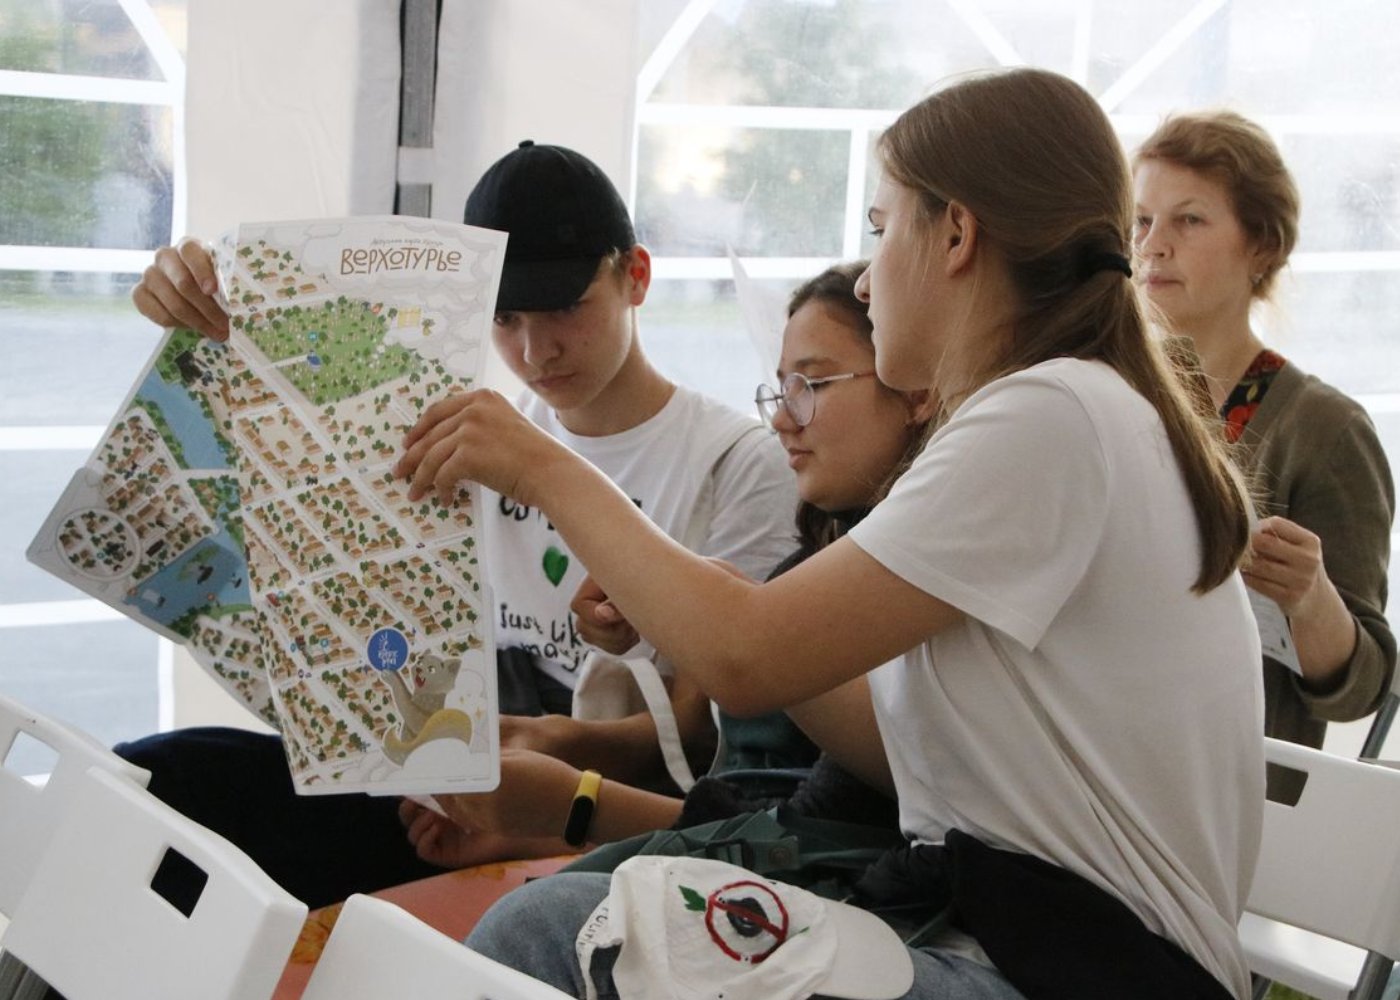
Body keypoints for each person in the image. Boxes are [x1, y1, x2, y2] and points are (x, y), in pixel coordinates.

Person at [396, 68, 1265, 999]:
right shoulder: (1075, 406)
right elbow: (892, 745)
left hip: (1083, 968)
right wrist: (693, 608)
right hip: (1028, 939)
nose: (863, 274)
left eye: (882, 229)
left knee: (547, 931)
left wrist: (542, 467)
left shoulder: (1049, 413)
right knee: (569, 918)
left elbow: (747, 656)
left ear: (958, 235)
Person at [118, 141, 799, 907]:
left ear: (635, 276)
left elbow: (726, 740)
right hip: (459, 779)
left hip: (611, 819)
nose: (536, 350)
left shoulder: (737, 464)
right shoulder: (464, 433)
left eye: (565, 307)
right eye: (504, 317)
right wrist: (211, 308)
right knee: (157, 775)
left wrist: (549, 791)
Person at [399, 260, 922, 867]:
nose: (783, 419)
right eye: (782, 388)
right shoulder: (814, 565)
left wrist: (573, 808)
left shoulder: (896, 582)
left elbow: (807, 847)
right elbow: (731, 773)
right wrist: (559, 761)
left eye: (814, 384)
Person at [1133, 110, 1396, 802]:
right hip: (1095, 786)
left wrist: (1310, 598)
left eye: (1189, 220)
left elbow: (1362, 690)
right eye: (1141, 221)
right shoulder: (1104, 393)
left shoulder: (1324, 430)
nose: (1153, 246)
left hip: (1225, 808)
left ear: (1263, 248)